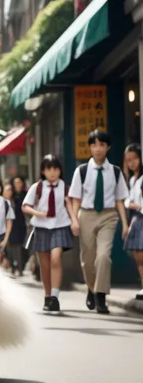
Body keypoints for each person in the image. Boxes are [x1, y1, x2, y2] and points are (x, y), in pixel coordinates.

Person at [69, 129, 129, 314]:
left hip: (108, 216)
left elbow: (120, 200)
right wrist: (74, 220)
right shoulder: (82, 171)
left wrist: (125, 224)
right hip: (86, 215)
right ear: (89, 147)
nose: (97, 149)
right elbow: (75, 199)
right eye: (94, 144)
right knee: (87, 259)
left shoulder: (116, 172)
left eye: (101, 144)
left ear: (108, 147)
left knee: (103, 256)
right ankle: (91, 288)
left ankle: (101, 296)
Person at [23, 155, 77, 312]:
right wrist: (38, 213)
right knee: (45, 265)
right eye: (49, 169)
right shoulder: (37, 187)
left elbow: (69, 206)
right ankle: (47, 296)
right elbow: (25, 206)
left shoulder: (66, 188)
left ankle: (54, 296)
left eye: (55, 169)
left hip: (60, 226)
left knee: (55, 258)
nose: (52, 172)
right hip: (41, 227)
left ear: (60, 170)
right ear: (43, 171)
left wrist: (74, 221)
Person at [123, 144, 143, 300]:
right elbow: (128, 200)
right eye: (128, 160)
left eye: (134, 159)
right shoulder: (132, 180)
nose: (131, 163)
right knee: (138, 254)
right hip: (136, 218)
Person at [9, 176, 28, 276]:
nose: (18, 185)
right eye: (16, 183)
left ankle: (21, 268)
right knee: (12, 245)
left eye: (19, 182)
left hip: (22, 222)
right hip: (12, 223)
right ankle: (13, 266)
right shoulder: (11, 196)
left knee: (21, 245)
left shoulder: (26, 195)